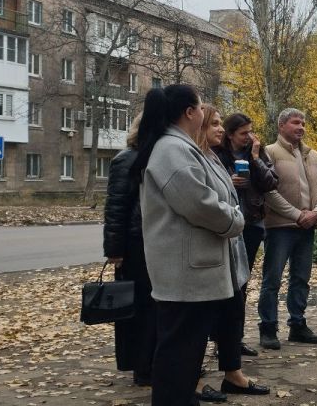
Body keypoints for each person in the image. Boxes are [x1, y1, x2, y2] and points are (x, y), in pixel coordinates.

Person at [133, 84, 244, 406]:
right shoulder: (173, 149)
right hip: (185, 273)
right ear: (189, 112)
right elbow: (199, 204)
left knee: (186, 353)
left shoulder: (180, 147)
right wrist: (234, 220)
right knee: (179, 354)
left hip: (191, 271)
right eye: (201, 107)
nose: (204, 112)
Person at [192, 105, 270, 402]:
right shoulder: (193, 157)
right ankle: (193, 379)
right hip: (209, 247)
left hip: (230, 246)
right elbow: (204, 203)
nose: (220, 129)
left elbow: (267, 183)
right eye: (213, 124)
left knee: (232, 308)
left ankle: (232, 374)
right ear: (197, 125)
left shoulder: (211, 156)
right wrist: (236, 221)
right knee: (200, 317)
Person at [257, 108, 317, 349]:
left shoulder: (312, 154)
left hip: (307, 227)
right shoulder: (270, 152)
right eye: (296, 123)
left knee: (301, 279)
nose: (301, 127)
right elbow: (268, 191)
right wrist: (297, 215)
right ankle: (268, 328)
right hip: (280, 227)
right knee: (272, 280)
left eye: (303, 123)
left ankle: (297, 325)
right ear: (281, 126)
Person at [212, 113, 279, 357]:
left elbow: (271, 183)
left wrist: (255, 158)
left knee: (242, 282)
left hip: (250, 223)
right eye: (243, 133)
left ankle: (235, 340)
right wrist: (228, 182)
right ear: (230, 135)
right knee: (223, 285)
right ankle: (220, 341)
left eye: (251, 131)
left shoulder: (257, 153)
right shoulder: (217, 154)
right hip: (225, 225)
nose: (249, 136)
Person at [103, 113, 155, 387]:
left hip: (148, 242)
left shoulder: (150, 157)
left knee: (151, 307)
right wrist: (115, 251)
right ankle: (141, 368)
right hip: (134, 246)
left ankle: (149, 363)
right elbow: (115, 208)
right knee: (138, 308)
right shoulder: (126, 159)